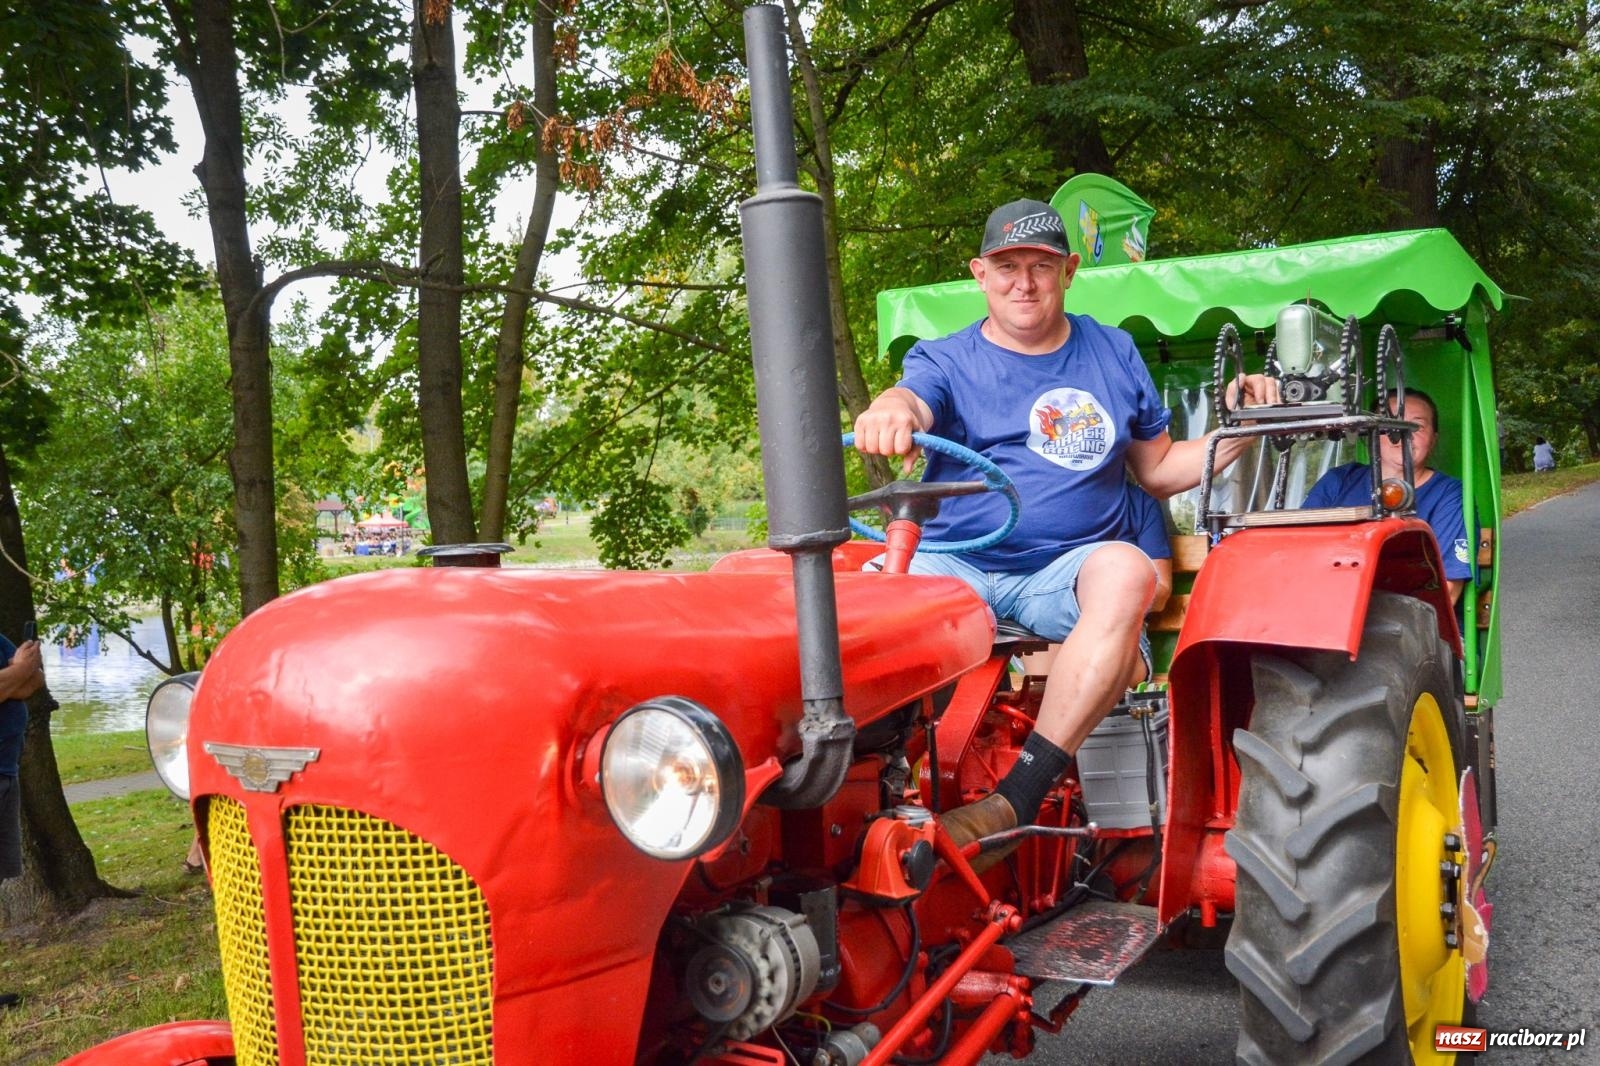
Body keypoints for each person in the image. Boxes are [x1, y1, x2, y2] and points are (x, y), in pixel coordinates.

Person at [852, 198, 1275, 849]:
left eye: (1041, 266)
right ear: (981, 274)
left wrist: (1241, 430)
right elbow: (912, 399)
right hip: (953, 564)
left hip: (1061, 573)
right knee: (843, 597)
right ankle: (859, 792)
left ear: (1069, 271)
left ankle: (1017, 796)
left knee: (1127, 569)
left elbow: (1160, 469)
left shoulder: (1112, 351)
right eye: (1007, 266)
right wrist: (891, 408)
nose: (1024, 283)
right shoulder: (945, 359)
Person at [1302, 387, 1471, 604]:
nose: (1401, 435)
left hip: (1410, 618)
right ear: (1369, 435)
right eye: (1388, 425)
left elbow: (1449, 589)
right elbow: (1301, 550)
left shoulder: (1448, 494)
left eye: (1417, 426)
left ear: (1433, 439)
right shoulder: (1339, 481)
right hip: (1329, 606)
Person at [1019, 481, 1173, 688]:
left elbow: (1161, 592)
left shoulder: (1139, 502)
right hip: (1043, 626)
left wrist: (1107, 599)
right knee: (1048, 675)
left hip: (1120, 630)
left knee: (1084, 673)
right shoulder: (1037, 498)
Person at [1, 626, 45, 1010]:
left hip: (5, 771)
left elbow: (35, 681)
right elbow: (22, 675)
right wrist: (14, 673)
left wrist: (14, 679)